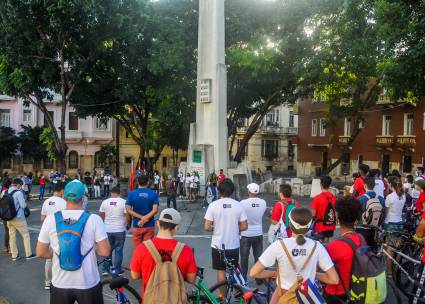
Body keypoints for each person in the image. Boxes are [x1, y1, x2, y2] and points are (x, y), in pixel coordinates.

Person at [36, 181, 110, 304]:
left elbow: (40, 252)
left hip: (60, 283)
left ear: (64, 197)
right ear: (83, 198)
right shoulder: (94, 219)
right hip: (88, 282)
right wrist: (93, 248)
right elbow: (105, 251)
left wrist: (57, 253)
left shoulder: (50, 219)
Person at [250, 208, 339, 304]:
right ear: (309, 226)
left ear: (290, 225)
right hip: (306, 298)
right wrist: (311, 274)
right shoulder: (317, 246)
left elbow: (254, 273)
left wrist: (275, 273)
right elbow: (334, 279)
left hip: (283, 296)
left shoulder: (279, 245)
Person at [130, 208, 197, 300]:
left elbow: (135, 275)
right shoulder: (186, 250)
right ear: (177, 227)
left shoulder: (142, 248)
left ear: (158, 223)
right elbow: (191, 279)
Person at [204, 178, 248, 291]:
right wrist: (234, 227)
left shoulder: (213, 205)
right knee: (233, 270)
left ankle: (223, 297)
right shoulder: (238, 205)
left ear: (219, 191)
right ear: (232, 191)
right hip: (233, 245)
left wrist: (216, 227)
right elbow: (244, 226)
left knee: (221, 271)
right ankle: (237, 293)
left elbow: (207, 227)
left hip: (218, 245)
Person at [324, 197, 363, 303]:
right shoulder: (360, 238)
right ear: (356, 220)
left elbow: (325, 271)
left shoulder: (334, 246)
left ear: (337, 219)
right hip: (357, 290)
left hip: (337, 293)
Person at [40, 182, 67, 290]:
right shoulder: (64, 202)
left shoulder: (46, 201)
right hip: (61, 233)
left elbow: (42, 218)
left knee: (49, 259)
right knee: (63, 256)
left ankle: (47, 282)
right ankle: (61, 280)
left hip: (48, 233)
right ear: (61, 191)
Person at [239, 183, 267, 279]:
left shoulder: (243, 203)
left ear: (249, 191)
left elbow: (239, 217)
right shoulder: (263, 202)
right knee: (258, 257)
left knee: (244, 257)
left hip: (246, 233)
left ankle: (243, 278)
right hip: (258, 233)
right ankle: (258, 277)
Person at [99, 187, 127, 276]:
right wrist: (127, 223)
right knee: (118, 250)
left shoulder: (105, 202)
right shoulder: (123, 202)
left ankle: (105, 270)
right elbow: (127, 215)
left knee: (107, 249)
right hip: (120, 229)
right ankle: (116, 270)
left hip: (107, 229)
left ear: (111, 193)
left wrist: (103, 224)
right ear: (119, 193)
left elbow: (101, 214)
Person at [126, 175, 159, 247]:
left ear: (138, 182)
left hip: (136, 225)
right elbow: (155, 210)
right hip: (149, 225)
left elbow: (128, 209)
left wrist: (141, 217)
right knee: (147, 250)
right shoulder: (153, 194)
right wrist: (144, 218)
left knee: (138, 250)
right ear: (148, 183)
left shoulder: (132, 194)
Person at [7, 178, 36, 261]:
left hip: (8, 217)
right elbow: (23, 205)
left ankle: (14, 255)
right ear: (18, 185)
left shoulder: (6, 191)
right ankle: (28, 254)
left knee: (12, 236)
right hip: (18, 217)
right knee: (26, 235)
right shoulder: (18, 193)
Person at [383, 179, 406, 278]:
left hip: (390, 223)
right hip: (400, 222)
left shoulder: (390, 197)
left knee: (389, 248)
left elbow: (386, 211)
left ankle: (389, 272)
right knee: (398, 246)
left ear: (392, 186)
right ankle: (396, 268)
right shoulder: (403, 196)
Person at [356, 177, 385, 249]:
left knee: (362, 250)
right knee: (373, 250)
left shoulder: (361, 198)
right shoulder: (380, 198)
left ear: (365, 186)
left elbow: (357, 213)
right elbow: (383, 212)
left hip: (362, 227)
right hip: (375, 228)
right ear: (374, 186)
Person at [311, 175, 337, 242]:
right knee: (326, 241)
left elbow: (313, 213)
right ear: (329, 185)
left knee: (319, 243)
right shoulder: (333, 197)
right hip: (330, 224)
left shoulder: (317, 198)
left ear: (321, 184)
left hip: (320, 225)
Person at [1, 179, 11, 254]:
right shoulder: (10, 192)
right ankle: (10, 248)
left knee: (7, 231)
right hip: (10, 214)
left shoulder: (2, 192)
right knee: (11, 232)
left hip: (4, 214)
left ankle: (6, 247)